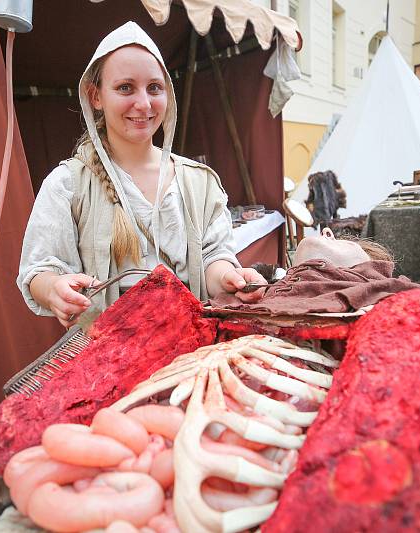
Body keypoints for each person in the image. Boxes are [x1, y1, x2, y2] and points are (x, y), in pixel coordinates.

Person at [17, 22, 266, 327]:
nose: (144, 103)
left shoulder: (200, 182)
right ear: (96, 96)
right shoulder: (68, 184)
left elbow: (214, 257)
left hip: (190, 344)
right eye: (125, 87)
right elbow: (39, 270)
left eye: (154, 88)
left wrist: (229, 277)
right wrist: (53, 289)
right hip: (110, 358)